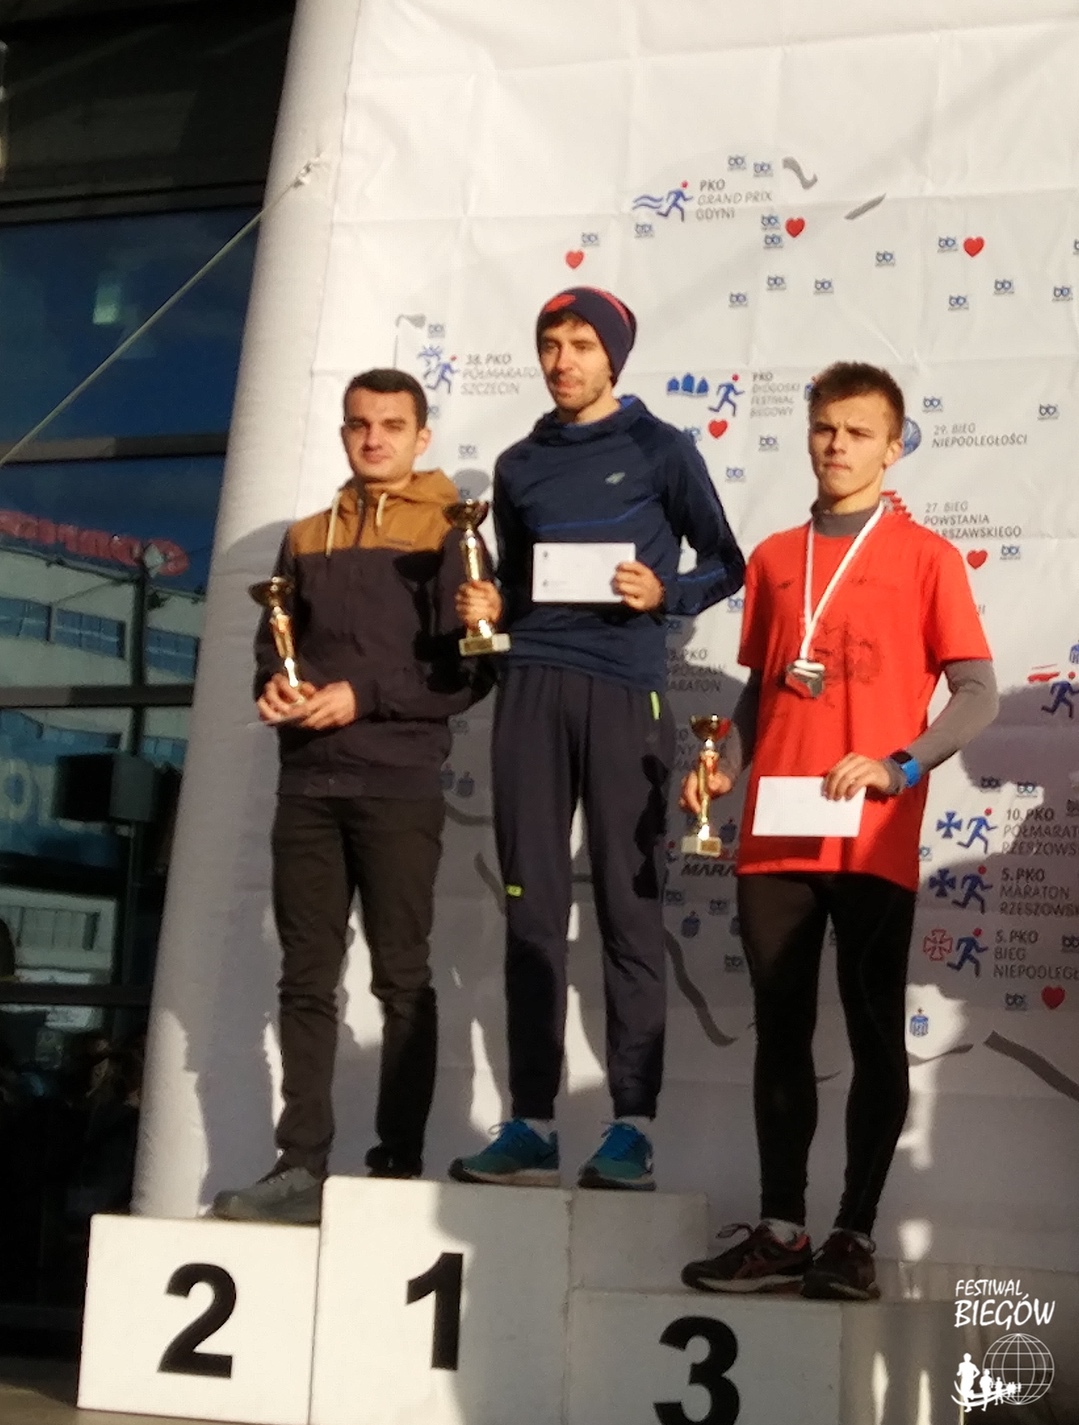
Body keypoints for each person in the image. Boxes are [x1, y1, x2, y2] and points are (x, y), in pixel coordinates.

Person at [680, 361, 997, 1298]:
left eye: (858, 432)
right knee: (778, 1033)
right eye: (825, 428)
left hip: (870, 834)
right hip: (774, 833)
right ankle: (780, 1229)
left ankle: (853, 1236)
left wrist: (901, 764)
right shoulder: (775, 557)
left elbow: (976, 694)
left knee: (870, 1033)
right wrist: (724, 765)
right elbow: (763, 692)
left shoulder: (927, 557)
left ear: (892, 448)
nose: (837, 445)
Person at [449, 286, 744, 1191]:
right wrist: (492, 604)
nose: (561, 360)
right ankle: (531, 1122)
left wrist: (666, 594)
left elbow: (726, 563)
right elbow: (521, 585)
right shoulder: (518, 463)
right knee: (531, 911)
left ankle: (631, 1127)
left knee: (628, 908)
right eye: (550, 343)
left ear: (612, 355)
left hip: (623, 691)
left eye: (580, 344)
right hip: (531, 687)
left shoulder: (661, 448)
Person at [213, 368, 492, 1224]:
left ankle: (396, 1168)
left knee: (402, 980)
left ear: (421, 437)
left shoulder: (450, 531)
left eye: (391, 425)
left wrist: (360, 696)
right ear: (343, 433)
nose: (374, 438)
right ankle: (299, 1166)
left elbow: (468, 672)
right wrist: (275, 686)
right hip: (307, 783)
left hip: (397, 785)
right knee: (304, 981)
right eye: (359, 424)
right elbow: (275, 646)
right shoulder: (305, 536)